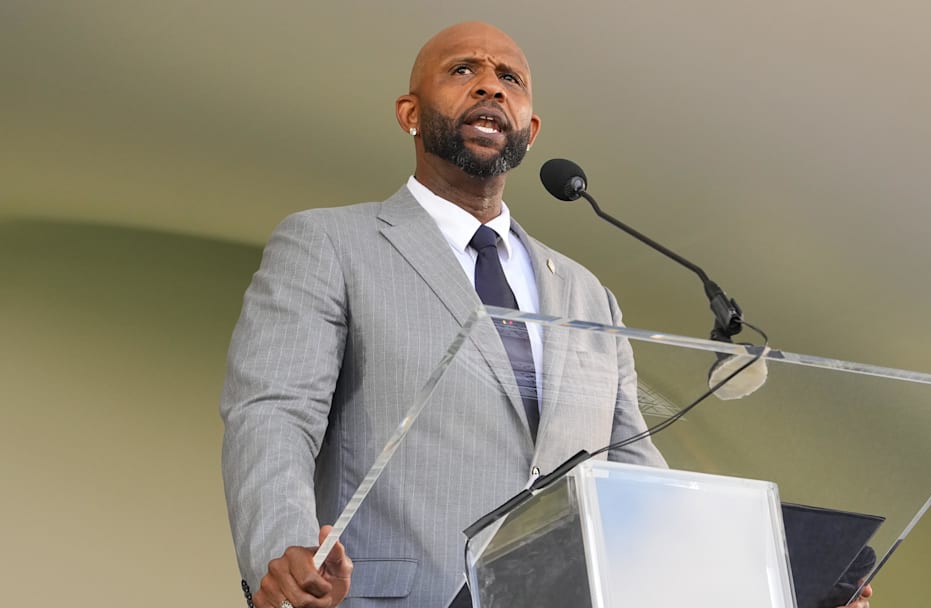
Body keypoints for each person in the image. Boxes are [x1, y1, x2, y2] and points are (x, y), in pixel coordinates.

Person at [221, 21, 872, 608]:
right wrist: (283, 549)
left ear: (530, 131)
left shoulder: (588, 296)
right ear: (410, 114)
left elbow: (638, 483)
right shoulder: (331, 244)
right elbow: (273, 413)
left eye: (509, 78)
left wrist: (784, 592)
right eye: (462, 70)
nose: (490, 88)